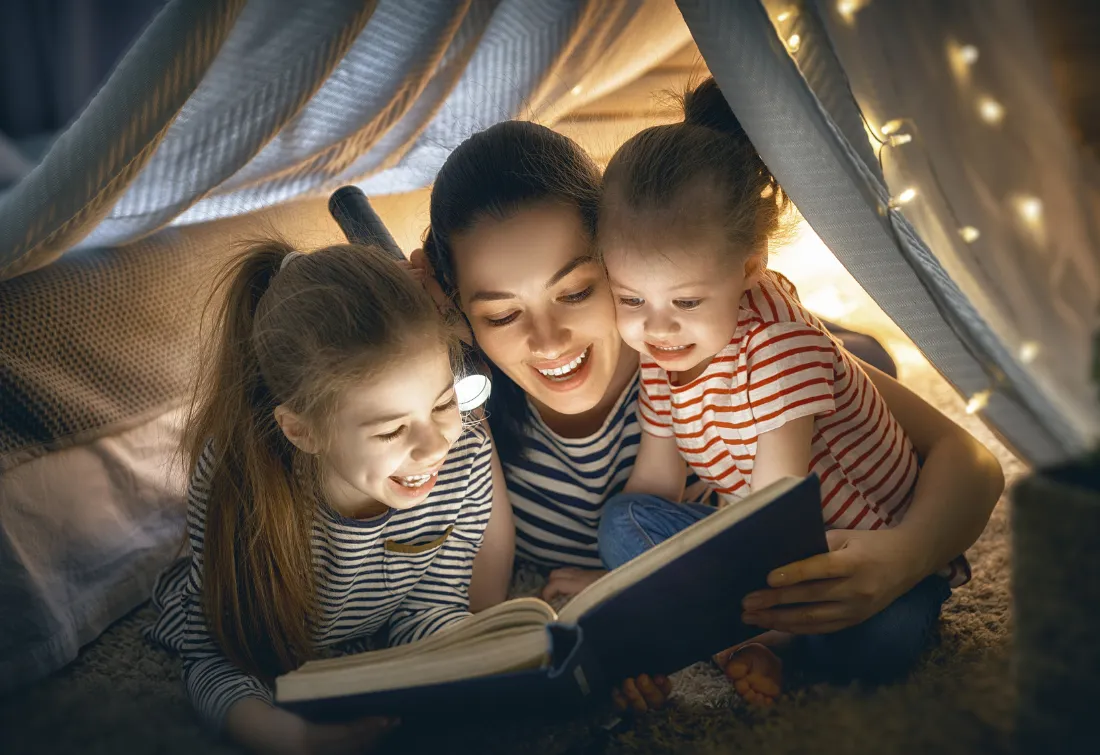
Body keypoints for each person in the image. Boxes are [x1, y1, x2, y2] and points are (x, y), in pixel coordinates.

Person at [414, 115, 1004, 713]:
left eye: (575, 292)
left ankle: (852, 341)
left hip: (811, 458)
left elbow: (971, 460)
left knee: (859, 363)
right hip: (734, 564)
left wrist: (904, 557)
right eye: (501, 315)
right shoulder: (464, 404)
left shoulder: (719, 348)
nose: (549, 342)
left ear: (620, 254)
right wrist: (430, 340)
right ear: (460, 312)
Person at [594, 76, 1004, 704]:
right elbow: (654, 483)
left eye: (686, 301)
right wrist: (615, 590)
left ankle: (752, 639)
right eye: (630, 299)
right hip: (771, 547)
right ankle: (758, 638)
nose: (657, 328)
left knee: (884, 640)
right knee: (622, 523)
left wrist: (681, 601)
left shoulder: (780, 345)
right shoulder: (662, 350)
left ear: (750, 265)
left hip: (859, 548)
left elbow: (773, 513)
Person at [146, 240, 504, 754]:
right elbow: (213, 656)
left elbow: (432, 603)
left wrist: (481, 661)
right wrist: (293, 740)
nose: (434, 447)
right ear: (302, 431)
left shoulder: (463, 456)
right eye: (390, 431)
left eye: (444, 403)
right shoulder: (238, 484)